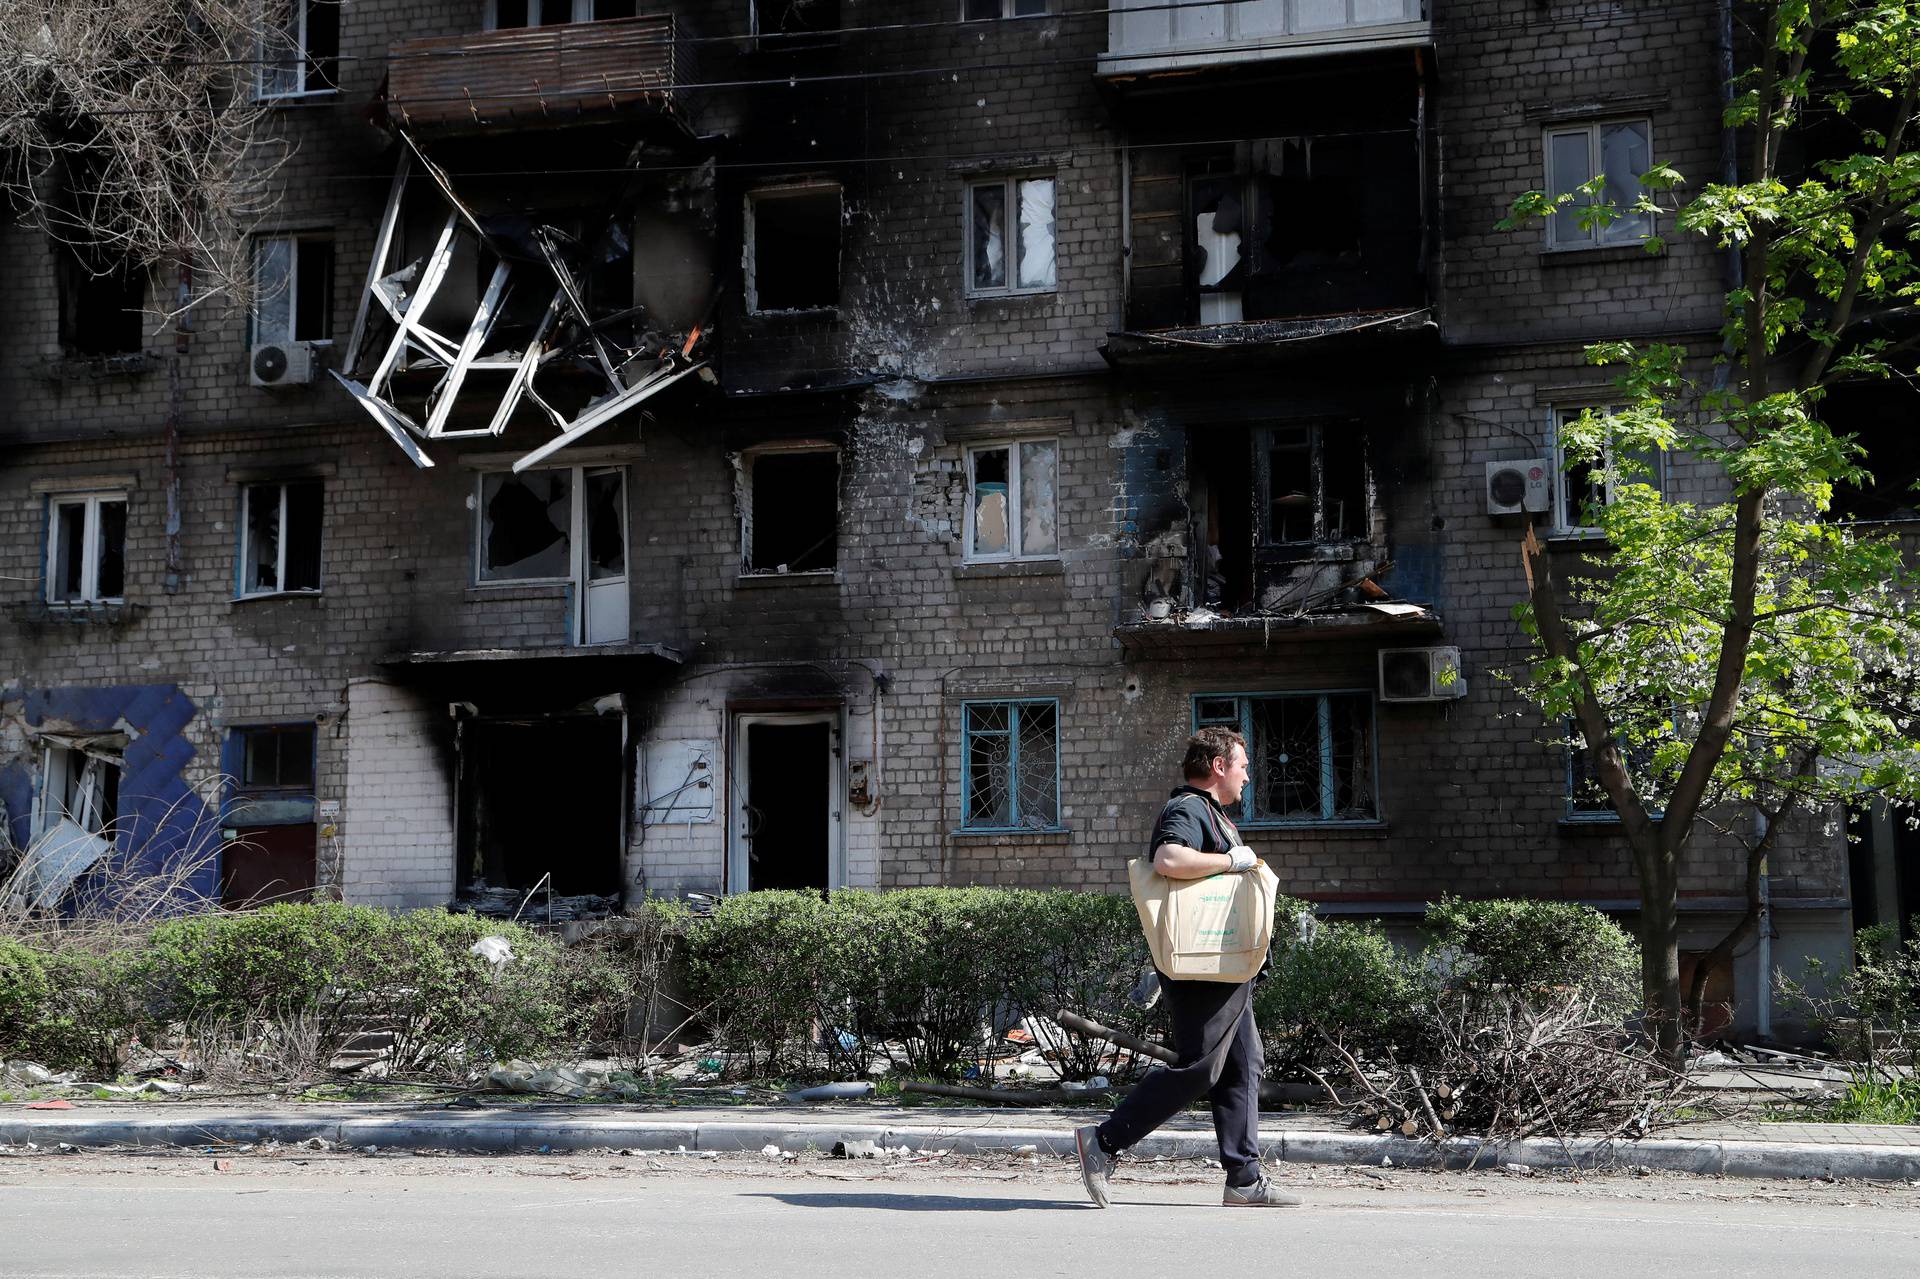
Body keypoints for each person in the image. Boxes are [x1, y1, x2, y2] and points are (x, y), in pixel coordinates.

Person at [1075, 725, 1302, 1209]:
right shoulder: (1189, 808)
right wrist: (1228, 863)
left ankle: (1243, 1179)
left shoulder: (1213, 813)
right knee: (1201, 1069)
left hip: (1224, 969)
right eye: (1241, 766)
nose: (1246, 777)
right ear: (1218, 766)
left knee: (1244, 1064)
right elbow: (1168, 859)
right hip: (1203, 970)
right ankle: (1104, 1141)